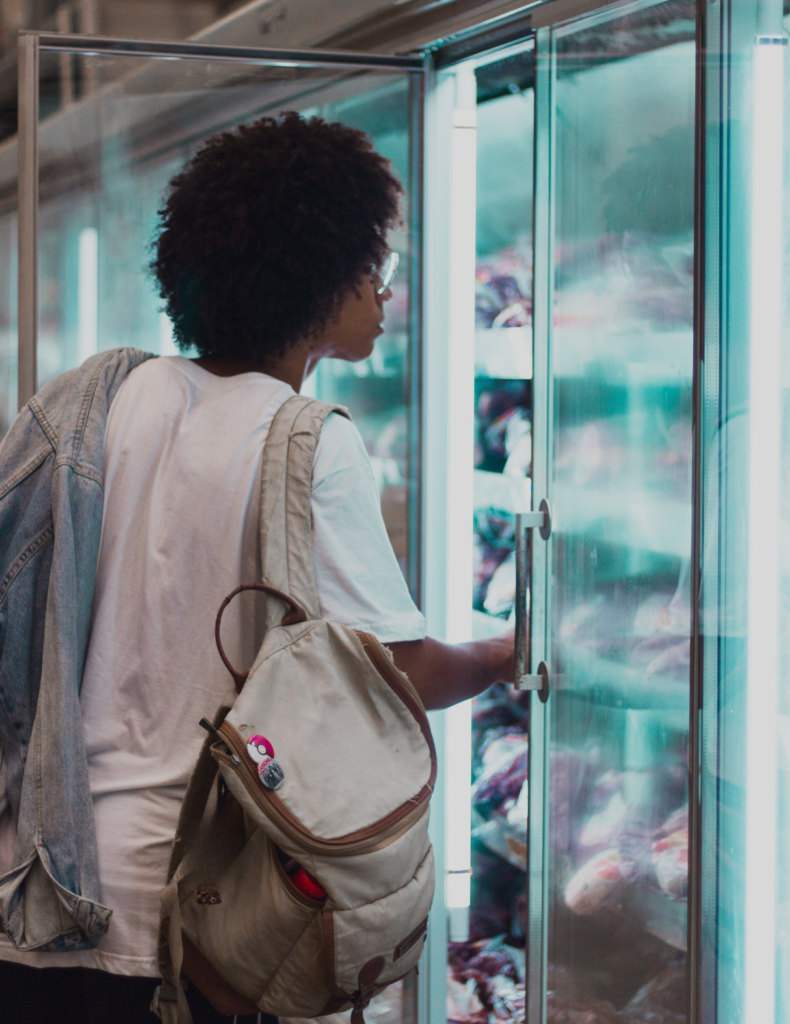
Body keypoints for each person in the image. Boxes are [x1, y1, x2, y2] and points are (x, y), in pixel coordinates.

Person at [0, 112, 514, 1023]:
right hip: (202, 919)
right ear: (317, 280)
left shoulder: (96, 400)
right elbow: (402, 671)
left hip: (42, 888)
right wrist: (516, 651)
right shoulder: (308, 441)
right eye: (374, 269)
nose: (385, 295)